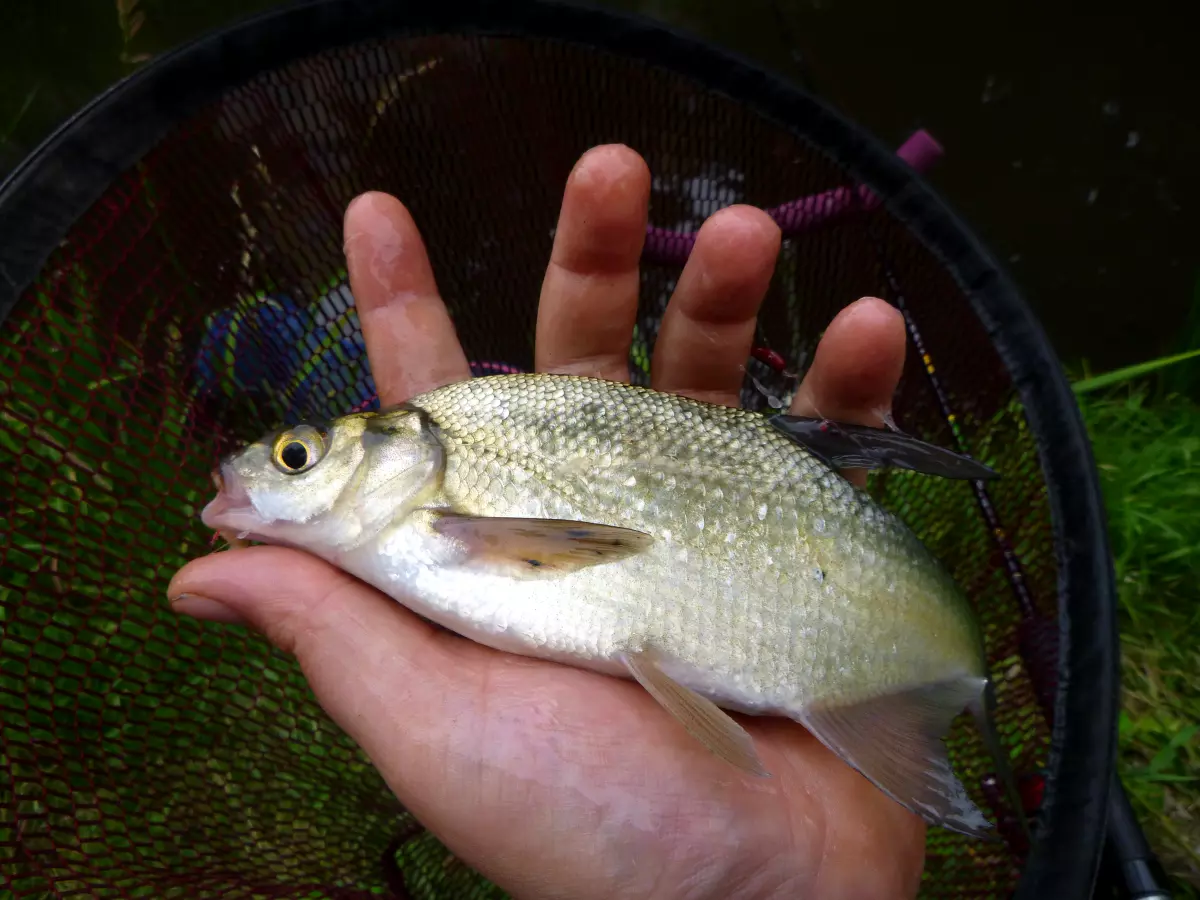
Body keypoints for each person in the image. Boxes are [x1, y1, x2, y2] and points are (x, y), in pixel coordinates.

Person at [167, 144, 927, 899]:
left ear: (414, 454)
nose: (274, 471)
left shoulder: (435, 502)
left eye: (297, 456)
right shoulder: (403, 525)